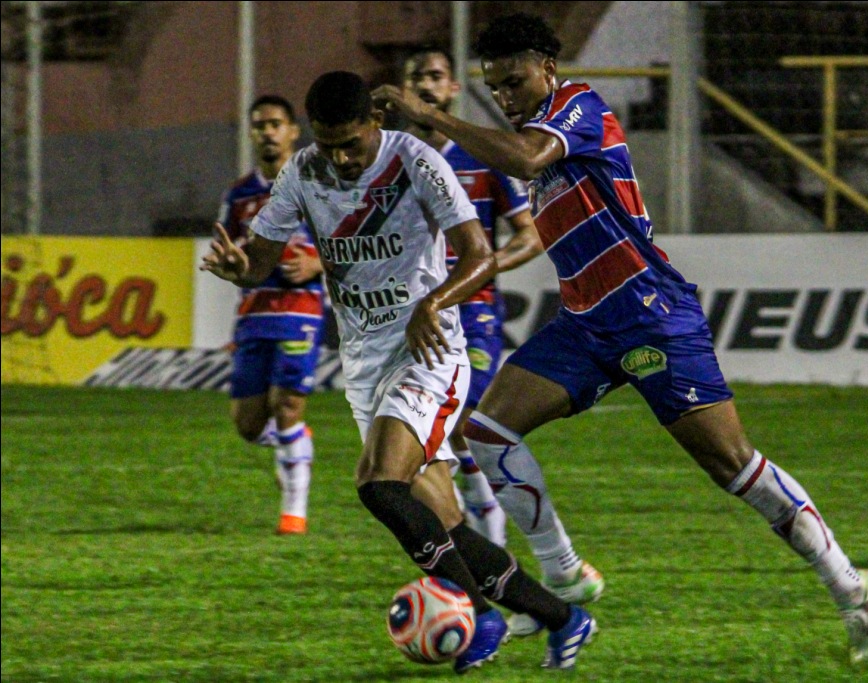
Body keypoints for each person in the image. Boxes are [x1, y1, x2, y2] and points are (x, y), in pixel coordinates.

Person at [373, 12, 868, 664]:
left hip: (651, 315)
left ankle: (851, 587)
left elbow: (528, 156)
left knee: (731, 465)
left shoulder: (577, 107)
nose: (507, 97)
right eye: (496, 88)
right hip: (586, 323)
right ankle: (562, 573)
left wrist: (431, 114)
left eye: (515, 81)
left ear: (548, 69)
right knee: (488, 431)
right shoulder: (530, 133)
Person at [202, 70, 595, 672]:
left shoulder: (414, 160)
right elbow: (261, 262)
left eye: (351, 145)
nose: (339, 157)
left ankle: (476, 615)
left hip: (430, 351)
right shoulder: (303, 172)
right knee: (444, 523)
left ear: (375, 124)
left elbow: (480, 254)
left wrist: (433, 303)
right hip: (364, 362)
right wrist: (240, 268)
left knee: (378, 483)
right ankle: (565, 618)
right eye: (328, 144)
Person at [401, 46, 605, 636]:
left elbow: (530, 235)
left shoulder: (478, 156)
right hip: (413, 321)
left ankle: (518, 584)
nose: (428, 87)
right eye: (418, 78)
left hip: (474, 320)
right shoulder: (394, 160)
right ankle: (500, 584)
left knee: (472, 435)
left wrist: (479, 272)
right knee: (441, 452)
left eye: (437, 77)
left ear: (451, 91)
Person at [217, 95, 325, 536]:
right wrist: (230, 265)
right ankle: (292, 443)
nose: (268, 132)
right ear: (251, 133)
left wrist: (317, 264)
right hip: (255, 310)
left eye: (276, 124)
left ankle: (293, 512)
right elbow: (230, 251)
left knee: (288, 404)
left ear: (293, 131)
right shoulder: (239, 194)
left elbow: (348, 235)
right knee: (247, 424)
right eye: (260, 125)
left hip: (302, 306)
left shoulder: (317, 181)